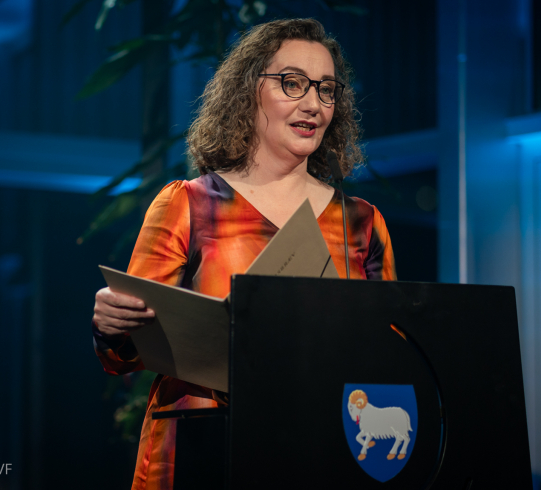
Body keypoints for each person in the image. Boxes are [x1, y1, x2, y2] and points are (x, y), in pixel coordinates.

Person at [91, 18, 396, 490]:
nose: (313, 104)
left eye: (326, 89)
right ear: (249, 90)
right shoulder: (189, 203)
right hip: (201, 450)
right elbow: (128, 353)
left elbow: (388, 358)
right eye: (292, 83)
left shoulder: (361, 222)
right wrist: (113, 326)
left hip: (318, 449)